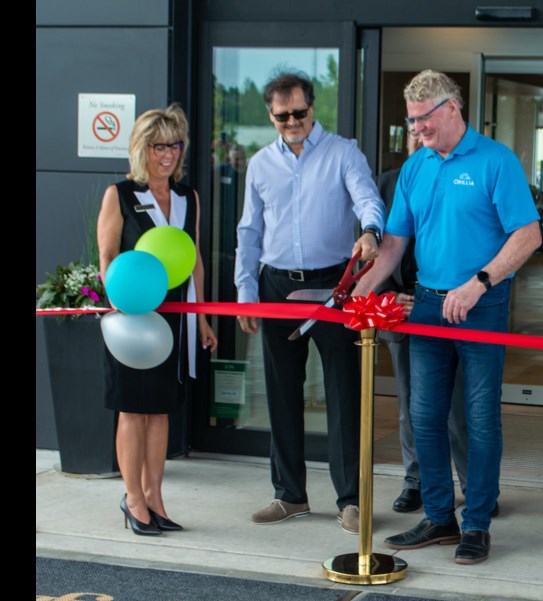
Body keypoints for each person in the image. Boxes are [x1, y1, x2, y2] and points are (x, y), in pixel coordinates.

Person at [355, 69, 541, 564]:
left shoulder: (496, 161)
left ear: (451, 109)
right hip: (429, 304)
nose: (416, 129)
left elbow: (528, 236)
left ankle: (477, 524)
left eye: (423, 119)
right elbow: (394, 247)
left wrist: (479, 283)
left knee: (479, 420)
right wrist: (359, 293)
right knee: (424, 416)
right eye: (411, 120)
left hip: (482, 303)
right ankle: (439, 517)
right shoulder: (416, 168)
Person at [234, 73, 384, 534]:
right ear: (271, 115)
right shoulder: (260, 164)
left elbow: (368, 199)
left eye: (300, 113)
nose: (292, 122)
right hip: (277, 285)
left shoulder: (343, 153)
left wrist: (370, 231)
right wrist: (245, 292)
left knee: (344, 391)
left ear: (312, 108)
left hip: (333, 285)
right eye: (282, 117)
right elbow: (249, 232)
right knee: (281, 392)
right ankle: (289, 495)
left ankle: (352, 500)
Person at [97, 104, 218, 535]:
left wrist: (202, 317)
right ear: (141, 149)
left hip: (174, 319)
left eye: (174, 145)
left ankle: (155, 498)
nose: (167, 154)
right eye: (158, 146)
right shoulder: (121, 195)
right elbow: (108, 256)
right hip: (131, 318)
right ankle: (133, 500)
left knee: (161, 411)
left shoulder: (189, 198)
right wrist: (116, 299)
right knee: (133, 409)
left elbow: (195, 259)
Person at [376, 128, 471, 514]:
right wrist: (385, 295)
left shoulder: (464, 176)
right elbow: (373, 250)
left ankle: (473, 483)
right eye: (413, 128)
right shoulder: (383, 185)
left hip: (453, 308)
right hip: (401, 309)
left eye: (427, 126)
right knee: (411, 406)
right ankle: (416, 481)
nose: (420, 135)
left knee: (457, 406)